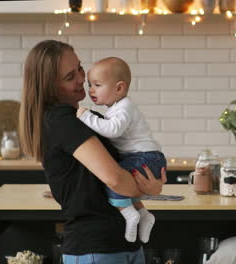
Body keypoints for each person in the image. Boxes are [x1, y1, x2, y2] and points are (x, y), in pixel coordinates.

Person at [19, 40, 166, 264]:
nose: (82, 79)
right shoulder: (62, 119)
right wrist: (149, 188)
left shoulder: (84, 117)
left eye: (79, 68)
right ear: (50, 86)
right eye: (70, 77)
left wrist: (149, 187)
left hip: (117, 245)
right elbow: (115, 179)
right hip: (96, 248)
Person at [76, 57, 167, 244]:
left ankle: (129, 215)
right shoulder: (116, 108)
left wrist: (85, 117)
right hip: (147, 157)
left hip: (144, 157)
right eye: (90, 84)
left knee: (112, 181)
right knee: (122, 185)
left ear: (119, 88)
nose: (91, 90)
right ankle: (144, 214)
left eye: (97, 85)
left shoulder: (125, 107)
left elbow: (112, 130)